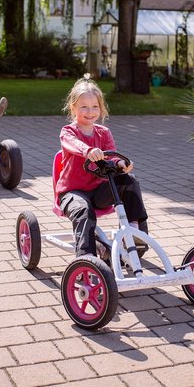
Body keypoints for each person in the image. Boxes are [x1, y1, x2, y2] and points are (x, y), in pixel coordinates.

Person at [56, 73, 148, 257]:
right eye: (84, 107)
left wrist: (121, 163)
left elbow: (111, 158)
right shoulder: (68, 131)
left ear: (101, 108)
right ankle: (86, 258)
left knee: (129, 181)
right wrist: (88, 151)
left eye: (94, 107)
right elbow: (72, 144)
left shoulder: (104, 133)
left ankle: (134, 231)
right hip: (72, 193)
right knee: (83, 210)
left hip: (99, 191)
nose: (90, 112)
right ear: (73, 108)